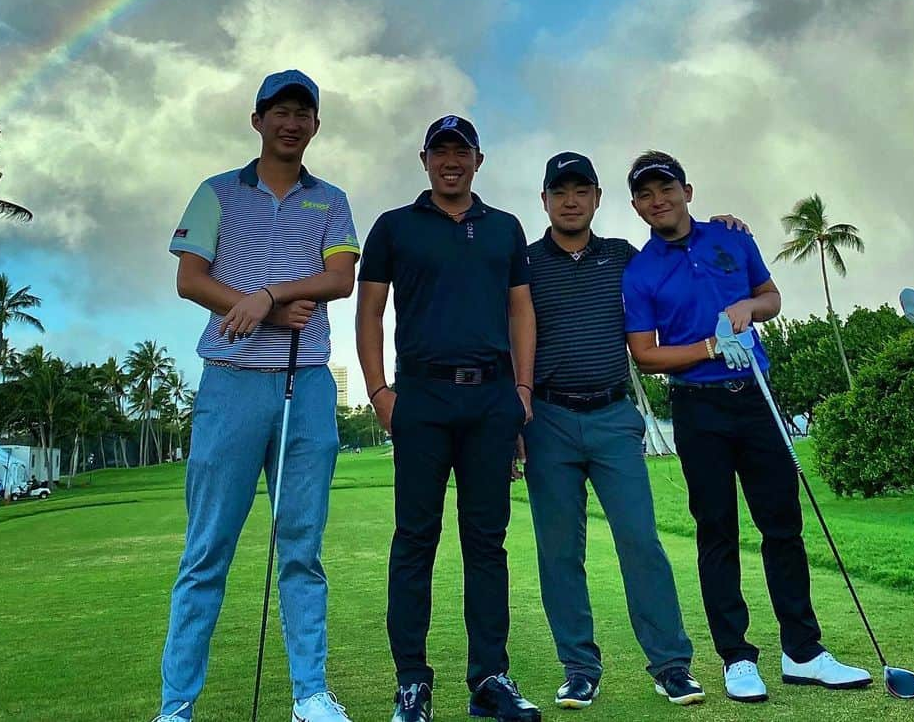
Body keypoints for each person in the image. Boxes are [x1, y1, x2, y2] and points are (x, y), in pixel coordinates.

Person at [621, 150, 871, 704]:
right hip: (697, 407)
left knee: (782, 526)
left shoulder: (731, 238)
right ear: (637, 206)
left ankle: (803, 652)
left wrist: (747, 311)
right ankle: (736, 657)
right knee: (717, 531)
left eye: (666, 188)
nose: (658, 200)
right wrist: (709, 345)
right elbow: (646, 355)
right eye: (645, 194)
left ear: (688, 189)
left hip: (756, 398)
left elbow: (772, 298)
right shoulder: (640, 272)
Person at [153, 70, 361, 722]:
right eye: (280, 111)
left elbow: (339, 276)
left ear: (315, 125)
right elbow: (190, 278)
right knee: (207, 547)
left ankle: (311, 693)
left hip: (308, 385)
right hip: (231, 383)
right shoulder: (216, 193)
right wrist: (265, 310)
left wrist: (270, 293)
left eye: (304, 112)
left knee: (300, 545)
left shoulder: (329, 199)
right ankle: (177, 703)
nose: (292, 122)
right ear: (258, 119)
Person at [356, 115, 541, 722]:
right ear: (426, 159)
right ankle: (412, 681)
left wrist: (520, 390)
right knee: (415, 540)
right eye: (441, 151)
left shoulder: (505, 229)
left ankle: (489, 677)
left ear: (478, 161)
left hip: (491, 399)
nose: (451, 161)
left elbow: (520, 313)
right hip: (422, 400)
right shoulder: (395, 227)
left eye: (462, 152)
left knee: (486, 544)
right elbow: (371, 312)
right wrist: (379, 390)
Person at [523, 152, 705, 709]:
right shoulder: (524, 263)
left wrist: (725, 226)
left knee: (640, 540)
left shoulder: (627, 258)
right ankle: (579, 666)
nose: (571, 201)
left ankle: (671, 664)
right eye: (561, 192)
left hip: (612, 417)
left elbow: (682, 252)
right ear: (546, 200)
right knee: (559, 552)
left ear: (598, 198)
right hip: (547, 421)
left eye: (582, 191)